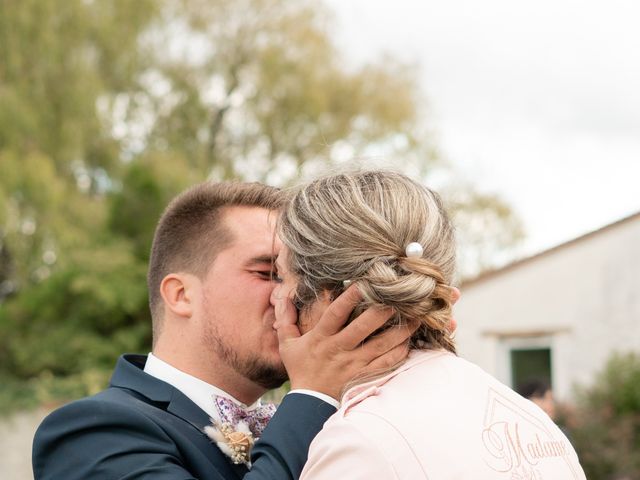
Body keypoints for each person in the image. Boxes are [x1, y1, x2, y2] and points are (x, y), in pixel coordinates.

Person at [32, 181, 412, 479]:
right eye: (268, 273)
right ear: (181, 295)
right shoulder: (90, 433)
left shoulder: (336, 419)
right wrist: (311, 396)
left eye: (299, 277)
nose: (292, 296)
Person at [272, 170, 587, 479]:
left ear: (329, 299)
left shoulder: (357, 444)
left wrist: (307, 399)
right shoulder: (535, 423)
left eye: (280, 277)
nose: (274, 297)